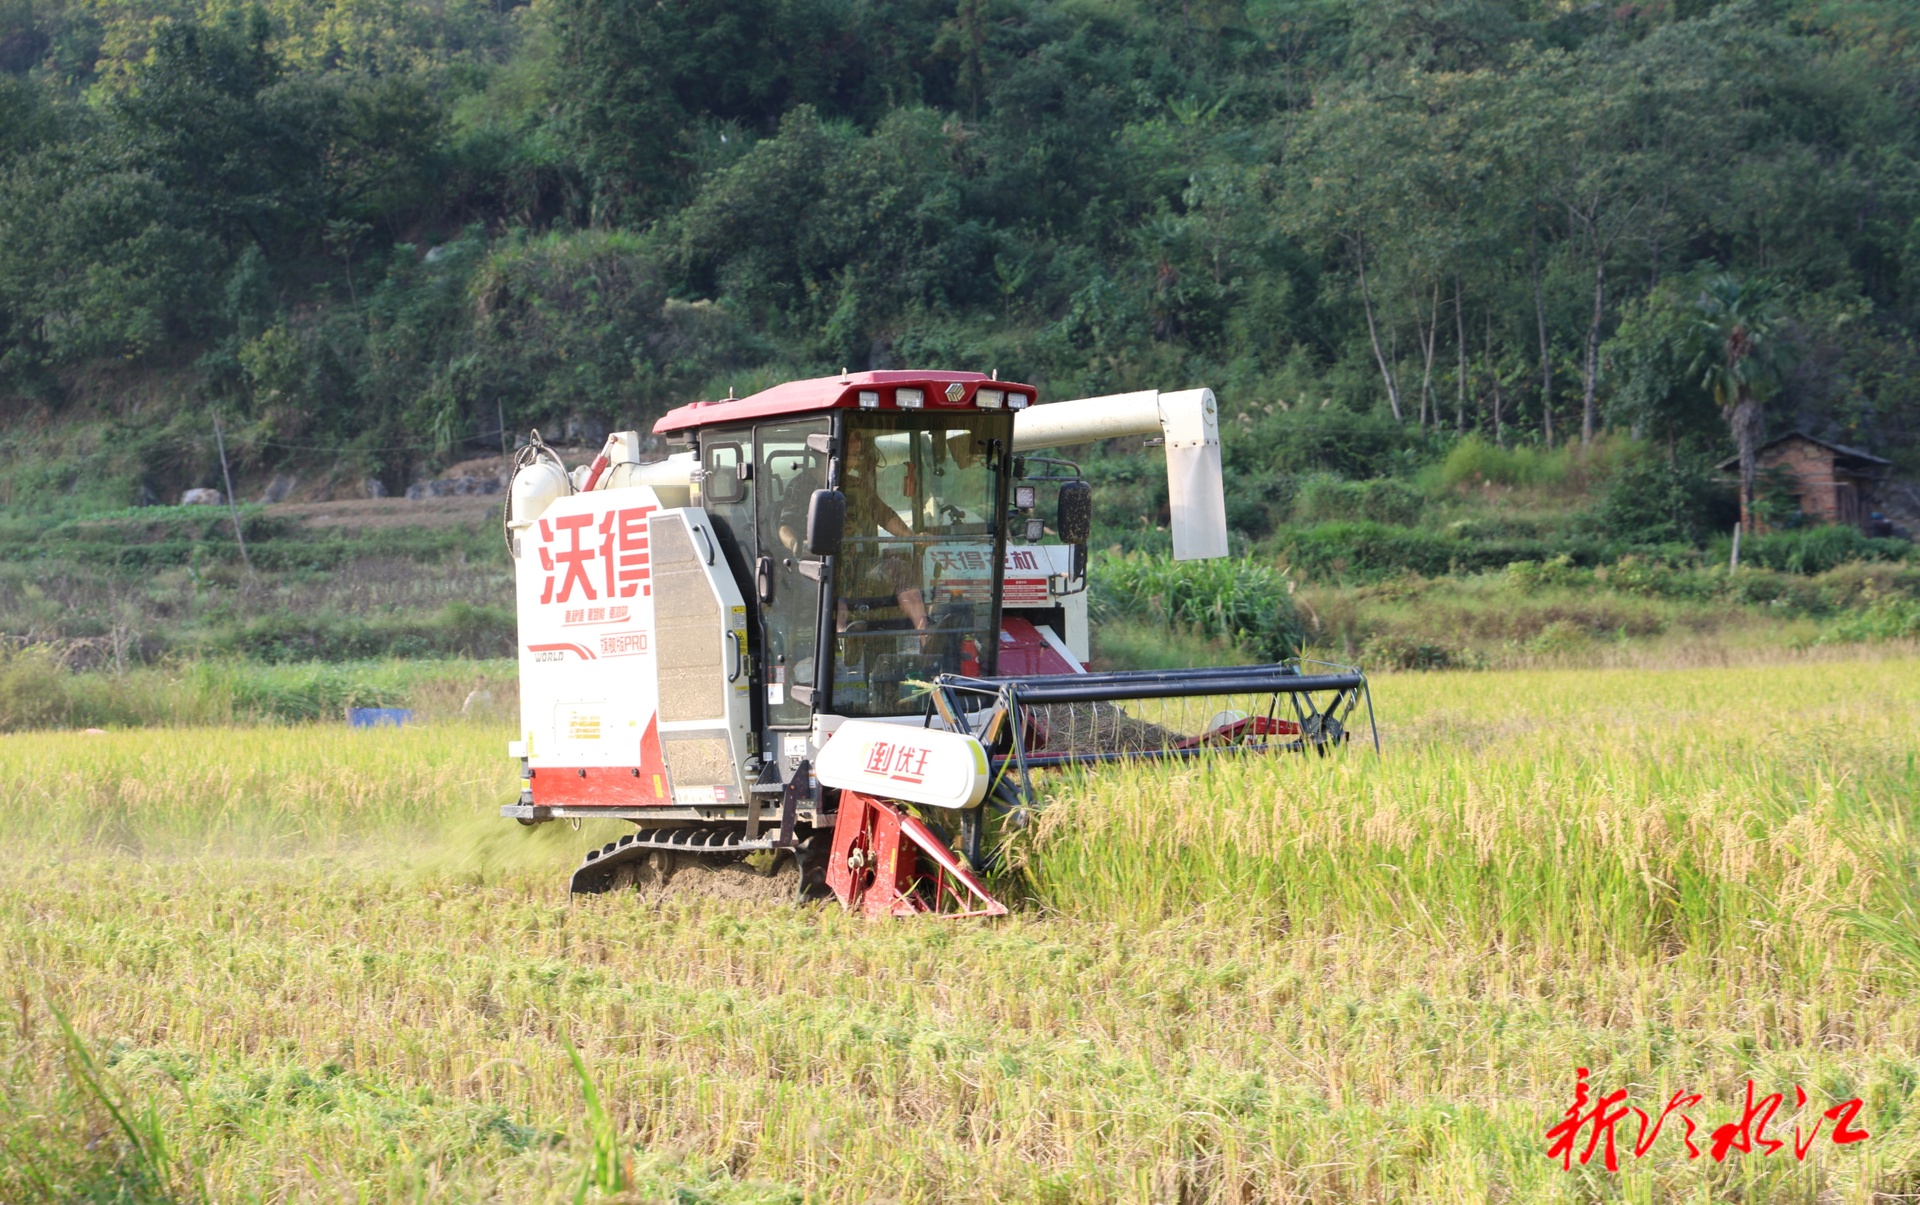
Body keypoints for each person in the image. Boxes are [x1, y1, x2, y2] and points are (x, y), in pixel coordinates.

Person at [776, 427, 930, 632]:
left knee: (899, 568)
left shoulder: (857, 485)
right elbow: (784, 526)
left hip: (857, 564)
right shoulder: (802, 485)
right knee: (831, 580)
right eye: (853, 455)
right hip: (817, 565)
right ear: (831, 455)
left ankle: (925, 633)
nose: (856, 462)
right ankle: (843, 637)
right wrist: (797, 545)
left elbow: (883, 514)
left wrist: (912, 537)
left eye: (858, 456)